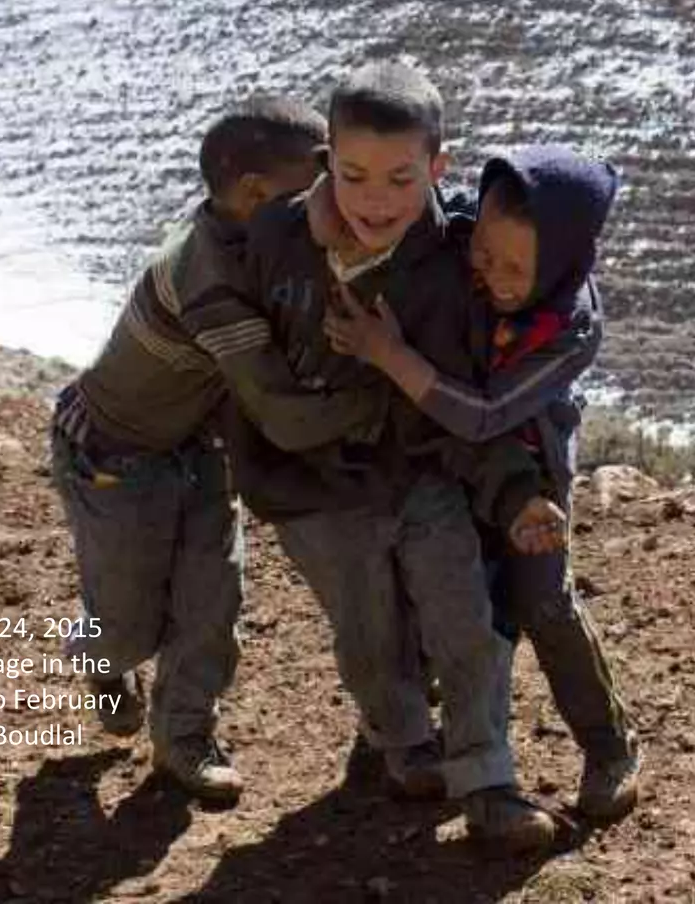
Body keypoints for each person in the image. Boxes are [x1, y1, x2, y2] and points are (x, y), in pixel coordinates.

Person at [232, 61, 564, 853]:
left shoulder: (453, 264)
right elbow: (239, 357)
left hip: (425, 473)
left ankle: (488, 780)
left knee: (465, 623)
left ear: (439, 169)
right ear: (326, 166)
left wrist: (515, 489)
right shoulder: (277, 238)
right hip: (317, 489)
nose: (375, 200)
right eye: (352, 176)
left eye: (400, 178)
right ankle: (404, 744)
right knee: (369, 630)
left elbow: (467, 392)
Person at [51, 96, 381, 804]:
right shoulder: (210, 281)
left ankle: (184, 739)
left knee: (211, 604)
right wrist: (395, 388)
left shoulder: (250, 235)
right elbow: (287, 418)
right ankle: (98, 662)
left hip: (197, 448)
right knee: (126, 626)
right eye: (318, 180)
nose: (339, 194)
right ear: (256, 194)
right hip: (114, 458)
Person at [321, 144, 641, 822]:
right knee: (439, 591)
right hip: (440, 451)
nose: (492, 275)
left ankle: (610, 747)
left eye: (516, 269)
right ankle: (402, 735)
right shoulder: (463, 236)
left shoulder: (571, 327)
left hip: (527, 468)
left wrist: (390, 355)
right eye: (485, 256)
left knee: (540, 600)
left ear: (557, 265)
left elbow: (488, 413)